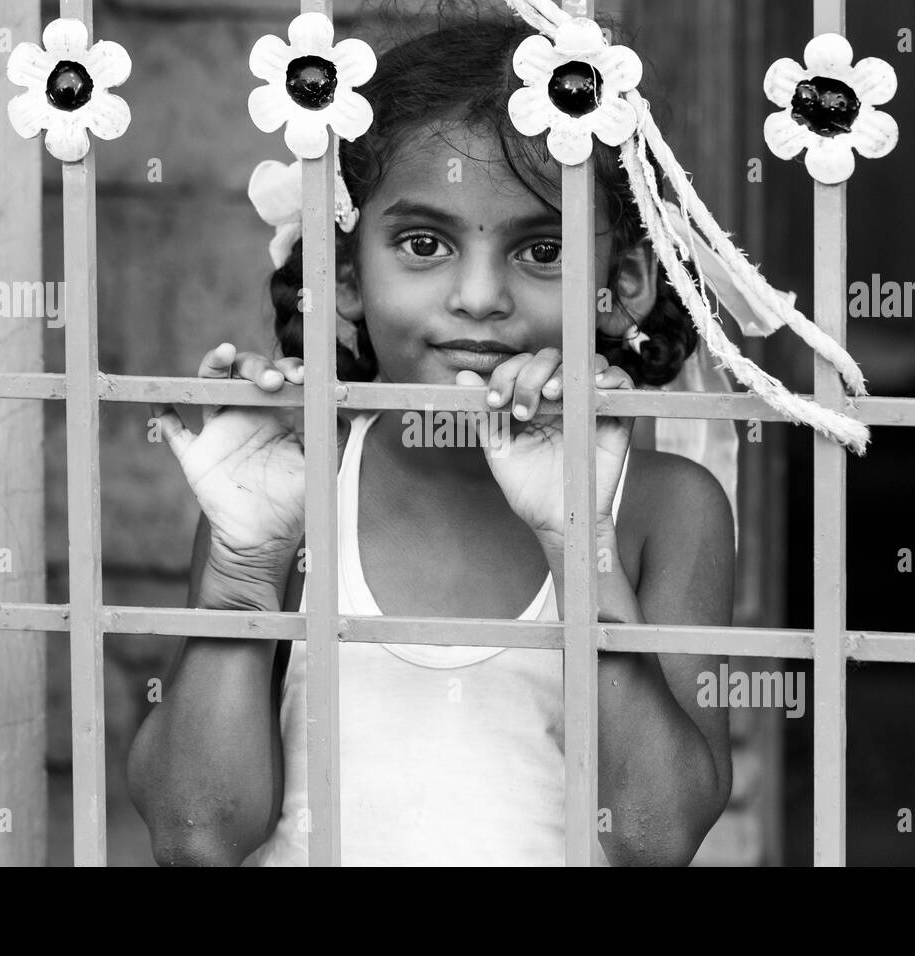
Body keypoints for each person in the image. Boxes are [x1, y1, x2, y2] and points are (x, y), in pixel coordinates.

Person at [128, 15, 736, 867]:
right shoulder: (294, 486)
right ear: (340, 276)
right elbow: (198, 833)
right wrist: (242, 572)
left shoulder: (665, 508)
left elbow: (654, 835)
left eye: (544, 248)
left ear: (621, 283)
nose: (479, 297)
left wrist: (579, 542)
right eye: (424, 244)